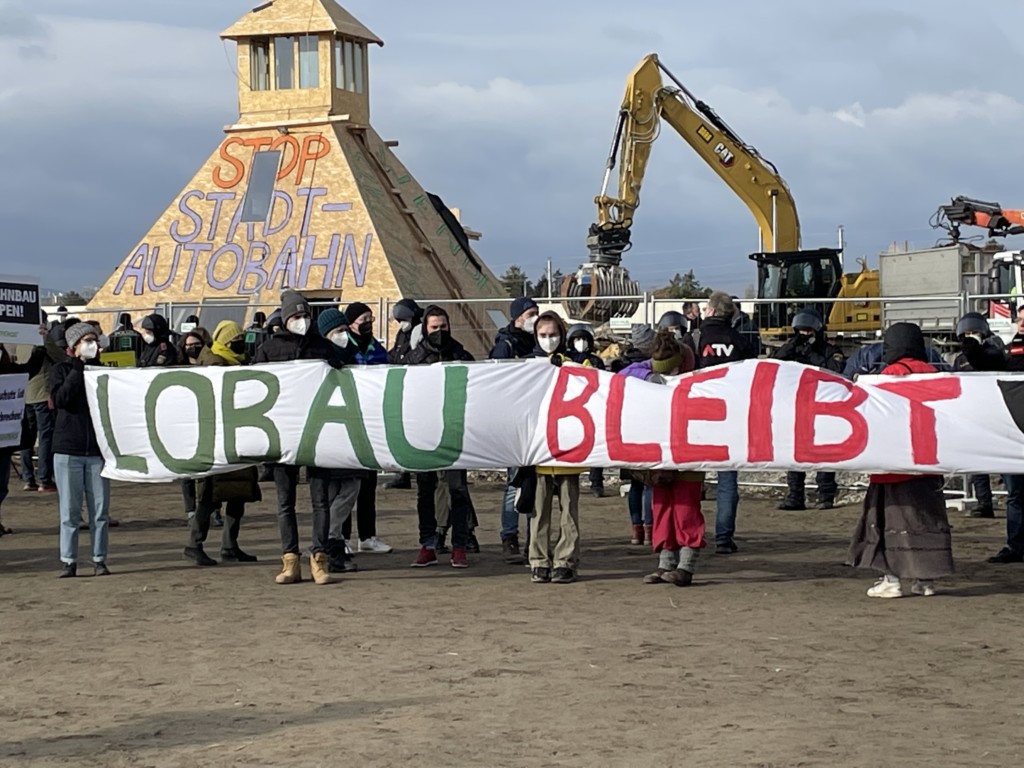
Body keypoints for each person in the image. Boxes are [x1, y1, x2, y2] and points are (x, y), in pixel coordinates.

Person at [847, 322, 954, 597]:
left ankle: (891, 580)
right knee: (925, 519)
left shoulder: (890, 374)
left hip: (893, 463)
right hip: (928, 462)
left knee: (889, 520)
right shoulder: (934, 373)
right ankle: (925, 580)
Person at [253, 290, 344, 585]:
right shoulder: (268, 349)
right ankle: (290, 559)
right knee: (285, 502)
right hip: (282, 434)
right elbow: (253, 386)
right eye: (295, 316)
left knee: (320, 501)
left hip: (318, 433)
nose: (301, 320)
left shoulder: (324, 347)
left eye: (304, 315)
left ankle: (319, 558)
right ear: (285, 318)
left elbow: (343, 381)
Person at [619, 330, 704, 586]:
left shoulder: (699, 377)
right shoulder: (657, 368)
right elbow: (623, 375)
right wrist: (649, 375)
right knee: (662, 508)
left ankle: (686, 565)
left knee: (686, 508)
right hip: (663, 453)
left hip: (690, 452)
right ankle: (666, 564)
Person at [405, 305, 476, 569]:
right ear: (425, 328)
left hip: (454, 432)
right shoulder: (414, 359)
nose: (439, 331)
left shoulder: (461, 354)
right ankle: (428, 545)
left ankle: (459, 546)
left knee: (457, 491)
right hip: (424, 435)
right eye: (434, 327)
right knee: (426, 491)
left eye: (443, 326)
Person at [183, 321, 260, 566]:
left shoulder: (234, 362)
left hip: (237, 434)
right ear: (226, 342)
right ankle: (195, 544)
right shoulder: (215, 364)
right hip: (219, 437)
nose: (240, 343)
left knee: (238, 492)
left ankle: (229, 545)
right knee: (210, 495)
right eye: (236, 339)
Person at [691, 291, 755, 555]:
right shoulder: (741, 341)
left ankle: (689, 538)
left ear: (711, 311)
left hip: (696, 415)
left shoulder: (694, 338)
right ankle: (724, 539)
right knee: (728, 480)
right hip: (731, 416)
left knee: (689, 480)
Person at [962, 304, 1024, 563]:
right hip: (1014, 432)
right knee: (1017, 494)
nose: (1021, 324)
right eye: (1019, 319)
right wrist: (972, 344)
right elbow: (992, 363)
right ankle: (1016, 546)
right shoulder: (1013, 347)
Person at [49, 322, 111, 578]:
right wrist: (78, 368)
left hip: (97, 452)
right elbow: (61, 400)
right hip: (68, 449)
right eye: (86, 341)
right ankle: (69, 560)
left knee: (100, 511)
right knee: (70, 511)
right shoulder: (61, 370)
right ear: (73, 347)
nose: (92, 345)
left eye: (94, 340)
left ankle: (99, 558)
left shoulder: (103, 371)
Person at [529, 312, 584, 584]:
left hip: (568, 443)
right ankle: (538, 560)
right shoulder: (528, 365)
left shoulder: (575, 363)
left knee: (569, 506)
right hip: (538, 445)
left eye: (553, 334)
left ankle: (565, 560)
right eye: (543, 335)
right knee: (538, 509)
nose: (548, 340)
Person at [772, 308, 846, 510]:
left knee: (824, 451)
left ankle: (826, 496)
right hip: (796, 406)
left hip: (823, 406)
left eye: (808, 332)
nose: (804, 336)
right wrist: (791, 348)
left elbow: (837, 371)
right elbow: (773, 365)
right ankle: (795, 495)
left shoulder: (828, 350)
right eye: (801, 332)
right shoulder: (793, 348)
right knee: (795, 450)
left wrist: (813, 354)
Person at [489, 296, 541, 563]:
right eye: (530, 313)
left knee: (537, 485)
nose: (535, 317)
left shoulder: (540, 340)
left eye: (537, 312)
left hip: (537, 422)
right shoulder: (505, 345)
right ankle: (509, 536)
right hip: (514, 424)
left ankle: (535, 538)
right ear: (518, 317)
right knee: (514, 483)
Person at [341, 301, 393, 554]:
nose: (368, 323)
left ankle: (367, 536)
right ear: (351, 322)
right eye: (364, 319)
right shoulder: (341, 348)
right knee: (347, 485)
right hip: (346, 422)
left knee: (368, 484)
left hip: (371, 423)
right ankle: (342, 537)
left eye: (370, 319)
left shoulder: (378, 350)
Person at [315, 308, 362, 574]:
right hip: (329, 431)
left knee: (348, 490)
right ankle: (331, 542)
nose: (344, 336)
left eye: (345, 330)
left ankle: (333, 543)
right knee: (339, 493)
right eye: (338, 332)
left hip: (348, 431)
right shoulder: (323, 360)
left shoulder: (352, 356)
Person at [951, 312, 1003, 519]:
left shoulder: (994, 352)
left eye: (975, 332)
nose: (971, 337)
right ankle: (984, 503)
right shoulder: (960, 360)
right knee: (977, 462)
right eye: (967, 333)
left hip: (996, 411)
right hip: (972, 414)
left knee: (1004, 461)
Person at [0, 338, 45, 535]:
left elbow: (31, 368)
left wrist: (39, 344)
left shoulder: (10, 372)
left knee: (1, 487)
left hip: (4, 442)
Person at [16, 316, 64, 493]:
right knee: (45, 437)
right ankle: (44, 479)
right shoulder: (41, 337)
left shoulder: (19, 338)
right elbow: (60, 357)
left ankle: (28, 478)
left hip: (24, 394)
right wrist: (47, 338)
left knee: (26, 439)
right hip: (42, 393)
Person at [566, 323, 607, 497]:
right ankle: (560, 481)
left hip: (593, 406)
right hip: (569, 407)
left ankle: (596, 482)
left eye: (583, 339)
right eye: (577, 339)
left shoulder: (596, 361)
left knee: (596, 444)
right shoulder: (565, 360)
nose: (580, 342)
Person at [387, 298, 424, 365]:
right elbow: (396, 350)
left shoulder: (420, 331)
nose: (402, 323)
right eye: (400, 320)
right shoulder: (402, 333)